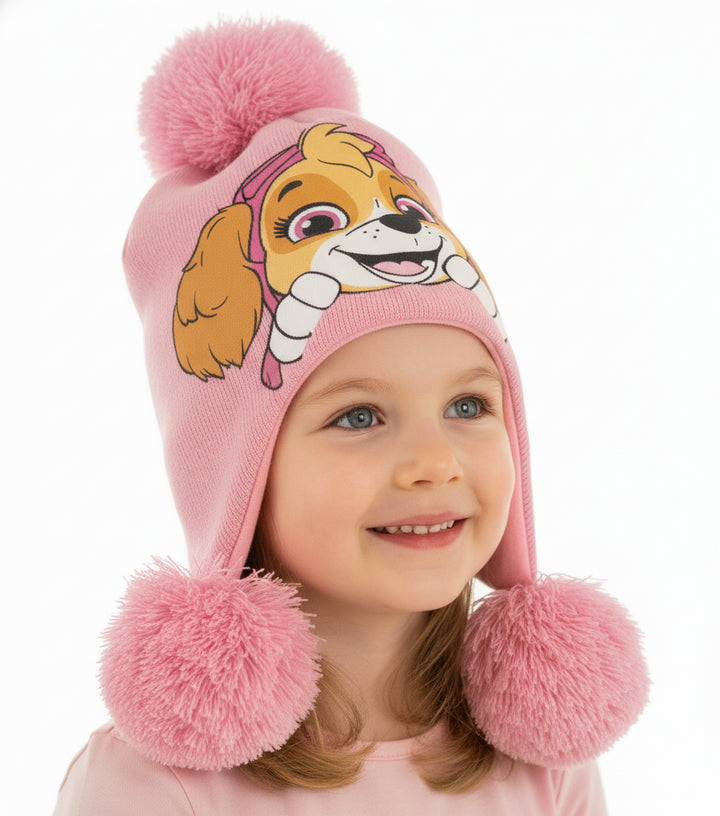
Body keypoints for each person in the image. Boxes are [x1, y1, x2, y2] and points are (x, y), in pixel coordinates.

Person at [53, 19, 649, 814]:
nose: (435, 462)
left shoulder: (546, 764)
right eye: (360, 417)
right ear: (238, 473)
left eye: (468, 405)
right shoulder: (159, 788)